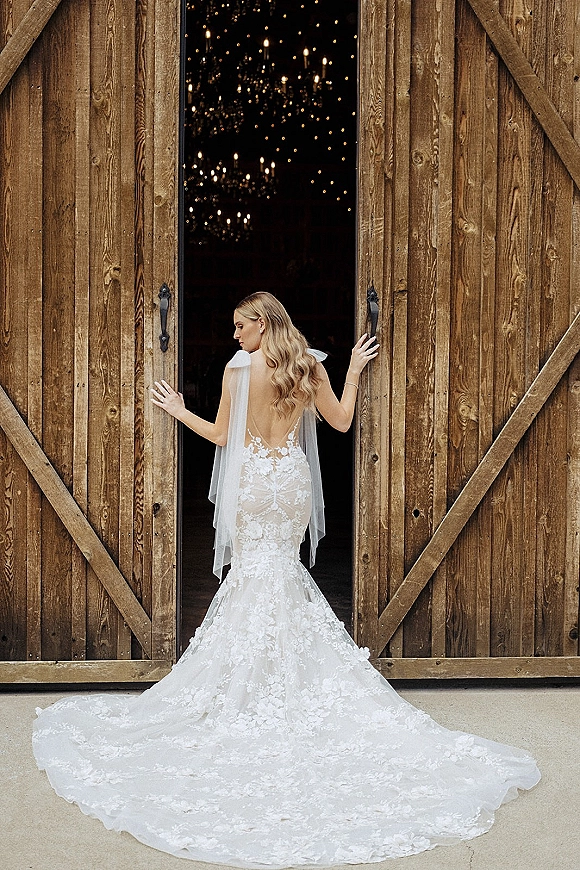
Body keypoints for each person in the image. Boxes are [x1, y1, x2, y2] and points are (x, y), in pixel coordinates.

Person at [33, 292, 539, 866]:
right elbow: (342, 421)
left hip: (254, 483)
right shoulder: (306, 363)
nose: (234, 335)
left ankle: (253, 681)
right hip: (291, 483)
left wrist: (177, 410)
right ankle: (282, 672)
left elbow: (223, 437)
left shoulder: (237, 369)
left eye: (240, 325)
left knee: (257, 575)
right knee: (282, 572)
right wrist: (352, 369)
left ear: (262, 323)